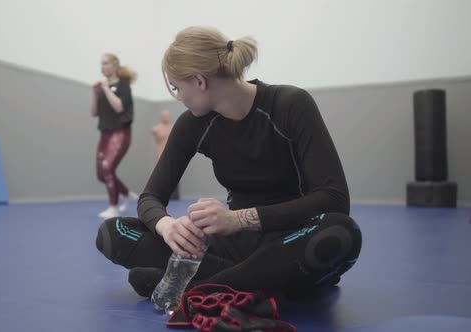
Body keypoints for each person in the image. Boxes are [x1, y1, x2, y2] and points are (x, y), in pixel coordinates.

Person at [96, 27, 362, 299]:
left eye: (177, 88)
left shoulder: (290, 104)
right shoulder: (193, 124)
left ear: (199, 81)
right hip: (234, 247)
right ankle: (246, 283)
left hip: (288, 239)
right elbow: (150, 197)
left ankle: (197, 287)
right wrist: (168, 227)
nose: (178, 97)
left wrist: (237, 219)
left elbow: (334, 199)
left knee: (340, 231)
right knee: (113, 232)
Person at [91, 53, 139, 219]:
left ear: (115, 66)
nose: (102, 67)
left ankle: (113, 207)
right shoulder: (102, 88)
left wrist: (105, 88)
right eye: (101, 64)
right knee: (100, 174)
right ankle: (126, 193)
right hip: (105, 133)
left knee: (107, 168)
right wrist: (95, 92)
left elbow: (119, 107)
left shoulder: (123, 85)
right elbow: (94, 112)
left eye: (105, 63)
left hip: (120, 132)